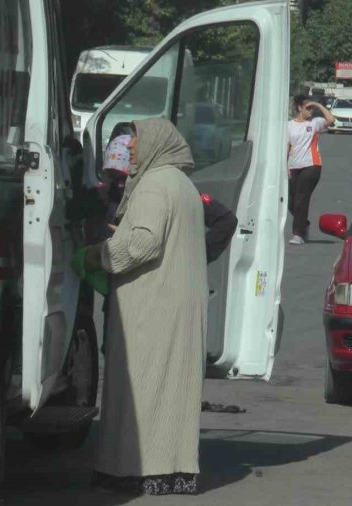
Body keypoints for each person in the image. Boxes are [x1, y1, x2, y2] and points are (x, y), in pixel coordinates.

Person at [84, 118, 207, 495]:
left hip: (153, 307)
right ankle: (170, 470)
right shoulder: (180, 183)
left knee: (140, 388)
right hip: (173, 304)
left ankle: (133, 469)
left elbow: (142, 244)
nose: (131, 148)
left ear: (155, 143)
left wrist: (96, 255)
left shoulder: (154, 186)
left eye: (135, 141)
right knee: (170, 389)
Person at [101, 133, 238, 262]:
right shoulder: (108, 197)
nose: (119, 184)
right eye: (113, 177)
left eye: (124, 177)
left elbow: (226, 220)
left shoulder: (169, 190)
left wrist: (198, 256)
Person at [287, 94, 334, 245]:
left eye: (312, 108)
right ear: (299, 108)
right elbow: (286, 147)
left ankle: (298, 234)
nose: (311, 111)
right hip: (293, 166)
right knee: (291, 202)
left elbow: (331, 120)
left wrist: (318, 105)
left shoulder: (315, 123)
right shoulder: (289, 125)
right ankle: (304, 224)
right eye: (308, 108)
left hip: (311, 165)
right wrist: (284, 166)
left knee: (301, 198)